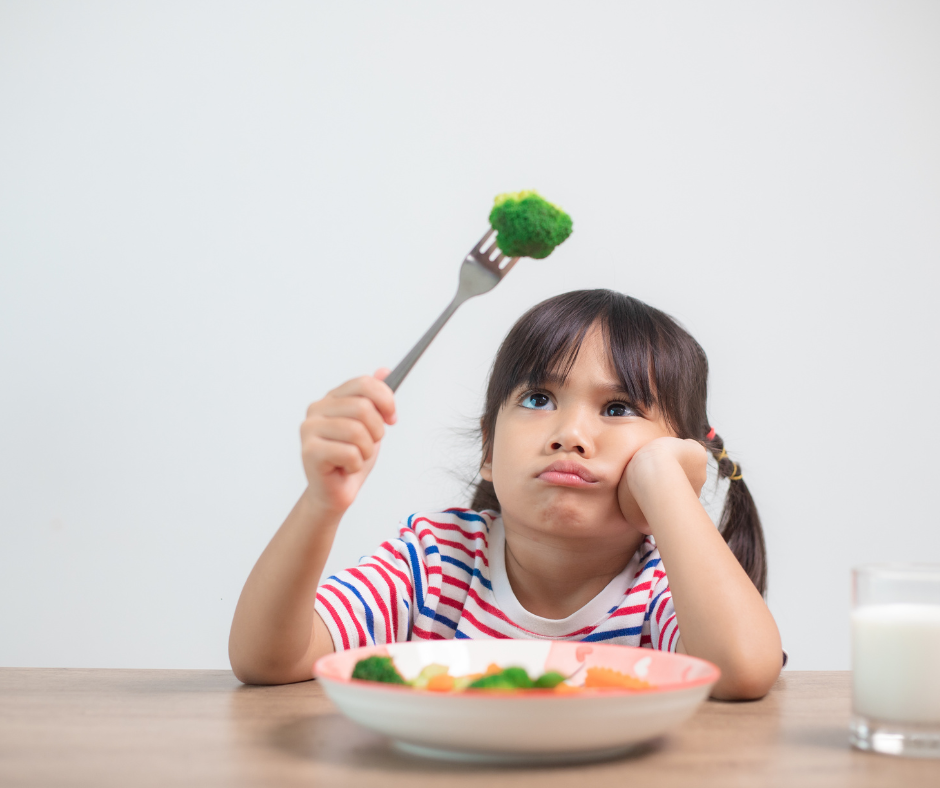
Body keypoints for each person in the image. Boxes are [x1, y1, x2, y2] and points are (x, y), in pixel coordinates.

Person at [229, 289, 783, 699]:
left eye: (618, 409)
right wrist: (321, 506)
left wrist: (666, 483)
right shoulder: (435, 560)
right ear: (489, 449)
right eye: (539, 398)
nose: (570, 434)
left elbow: (742, 670)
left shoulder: (664, 586)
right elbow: (269, 659)